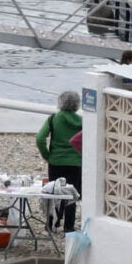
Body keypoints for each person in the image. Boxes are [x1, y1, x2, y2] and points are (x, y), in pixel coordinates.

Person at [40, 89, 84, 230]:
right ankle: (69, 227)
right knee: (72, 194)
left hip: (56, 161)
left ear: (60, 102)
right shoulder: (81, 122)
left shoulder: (53, 119)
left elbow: (40, 138)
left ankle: (52, 223)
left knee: (54, 192)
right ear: (77, 104)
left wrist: (46, 155)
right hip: (75, 162)